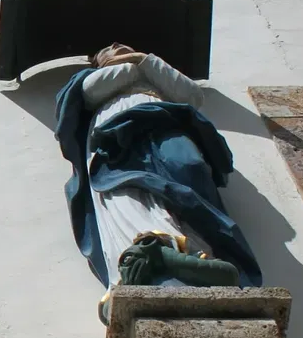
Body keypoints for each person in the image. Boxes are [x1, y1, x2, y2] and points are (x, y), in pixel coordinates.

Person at [53, 43, 262, 310]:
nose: (119, 47)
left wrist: (145, 60)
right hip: (115, 130)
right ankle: (150, 249)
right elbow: (92, 92)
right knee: (124, 189)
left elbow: (191, 95)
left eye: (125, 46)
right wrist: (137, 65)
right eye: (111, 48)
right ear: (97, 61)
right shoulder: (90, 79)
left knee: (189, 166)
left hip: (164, 122)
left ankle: (194, 245)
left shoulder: (149, 66)